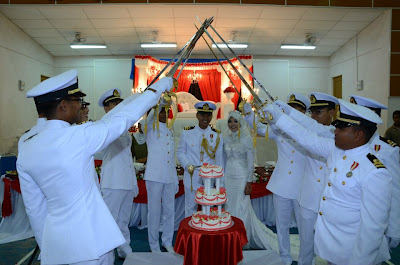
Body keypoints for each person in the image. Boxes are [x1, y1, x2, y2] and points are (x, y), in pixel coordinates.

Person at [17, 69, 172, 265]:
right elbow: (120, 121)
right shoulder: (78, 137)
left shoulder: (27, 145)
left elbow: (35, 209)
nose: (81, 105)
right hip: (93, 244)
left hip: (57, 246)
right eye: (77, 101)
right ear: (63, 106)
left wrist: (49, 248)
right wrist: (158, 89)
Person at [265, 99, 392, 265]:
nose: (335, 131)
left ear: (358, 135)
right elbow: (306, 137)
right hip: (333, 247)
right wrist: (280, 117)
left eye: (341, 128)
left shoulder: (374, 171)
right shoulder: (336, 150)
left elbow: (372, 230)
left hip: (354, 252)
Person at [243, 93, 308, 265]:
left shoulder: (309, 132)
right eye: (291, 109)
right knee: (282, 226)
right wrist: (249, 114)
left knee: (304, 227)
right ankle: (285, 257)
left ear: (304, 112)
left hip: (302, 186)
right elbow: (261, 129)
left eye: (297, 109)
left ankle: (305, 259)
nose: (293, 112)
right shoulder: (280, 129)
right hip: (281, 185)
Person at [276, 92, 338, 265]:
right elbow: (302, 130)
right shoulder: (311, 129)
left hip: (331, 199)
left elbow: (312, 131)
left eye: (319, 112)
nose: (314, 116)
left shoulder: (337, 132)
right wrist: (285, 112)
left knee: (332, 246)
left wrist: (287, 113)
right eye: (312, 112)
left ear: (332, 112)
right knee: (306, 246)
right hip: (308, 196)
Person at [349, 95, 400, 249]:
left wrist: (394, 228)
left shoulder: (387, 150)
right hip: (349, 220)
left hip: (374, 222)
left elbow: (395, 192)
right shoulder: (347, 143)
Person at [223, 110, 279, 251]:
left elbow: (250, 162)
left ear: (240, 122)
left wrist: (249, 181)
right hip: (229, 176)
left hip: (241, 176)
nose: (232, 124)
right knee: (229, 205)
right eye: (230, 121)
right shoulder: (226, 138)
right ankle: (230, 236)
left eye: (235, 121)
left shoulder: (246, 139)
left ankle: (242, 239)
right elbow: (223, 159)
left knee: (242, 206)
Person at [98, 88, 139, 259]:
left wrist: (133, 182)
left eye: (119, 103)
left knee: (123, 220)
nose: (117, 106)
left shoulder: (123, 126)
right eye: (113, 103)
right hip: (113, 182)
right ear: (106, 108)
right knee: (109, 220)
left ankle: (124, 250)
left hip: (126, 180)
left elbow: (127, 157)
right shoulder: (105, 125)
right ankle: (104, 255)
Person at [177, 101, 224, 217]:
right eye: (202, 114)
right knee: (190, 207)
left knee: (209, 207)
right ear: (197, 115)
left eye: (208, 115)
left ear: (212, 116)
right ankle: (190, 235)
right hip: (192, 175)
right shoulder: (187, 132)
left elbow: (219, 159)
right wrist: (187, 165)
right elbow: (180, 152)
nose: (205, 118)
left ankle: (208, 233)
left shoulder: (217, 135)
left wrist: (220, 182)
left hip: (209, 178)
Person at [144, 101, 178, 253]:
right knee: (154, 211)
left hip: (169, 176)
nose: (163, 114)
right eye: (160, 111)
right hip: (154, 176)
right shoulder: (150, 128)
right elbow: (149, 118)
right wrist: (160, 101)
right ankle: (153, 244)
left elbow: (172, 157)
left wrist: (175, 178)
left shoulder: (170, 130)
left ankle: (167, 241)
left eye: (165, 110)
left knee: (169, 211)